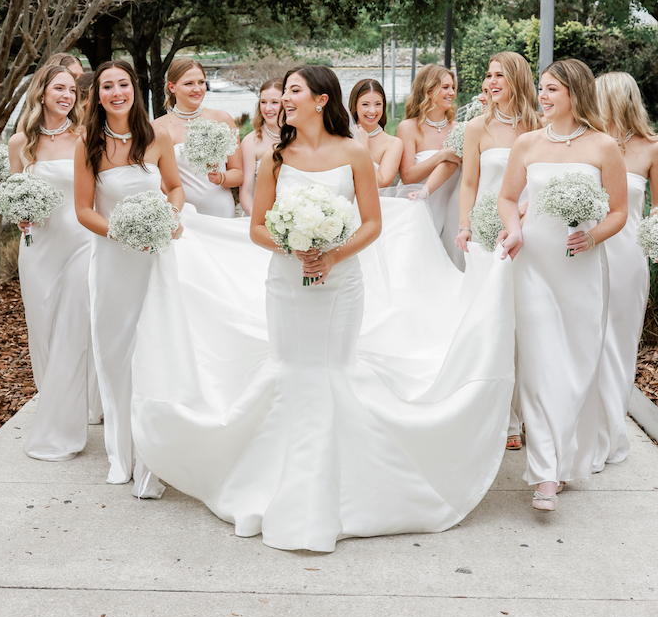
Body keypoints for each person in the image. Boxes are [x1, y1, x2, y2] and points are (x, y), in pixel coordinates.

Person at [132, 66, 516, 552]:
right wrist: (294, 249)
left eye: (293, 91)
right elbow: (256, 228)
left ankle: (354, 486)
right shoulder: (275, 156)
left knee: (334, 369)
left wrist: (332, 254)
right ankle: (272, 479)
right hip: (286, 281)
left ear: (320, 99)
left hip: (342, 283)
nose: (284, 99)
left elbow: (373, 223)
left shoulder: (353, 152)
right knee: (290, 368)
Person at [499, 59, 628, 512]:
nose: (543, 95)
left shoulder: (603, 146)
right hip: (532, 262)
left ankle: (564, 458)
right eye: (542, 88)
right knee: (538, 364)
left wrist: (592, 236)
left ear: (575, 92)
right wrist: (513, 229)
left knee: (575, 367)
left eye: (552, 89)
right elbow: (508, 197)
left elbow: (618, 213)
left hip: (581, 269)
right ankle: (545, 473)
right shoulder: (528, 143)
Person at [74, 60, 184, 497]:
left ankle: (155, 454)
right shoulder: (89, 143)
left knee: (154, 349)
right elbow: (84, 210)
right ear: (97, 96)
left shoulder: (157, 136)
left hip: (157, 259)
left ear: (134, 89)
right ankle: (122, 453)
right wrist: (123, 232)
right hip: (114, 261)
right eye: (107, 86)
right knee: (116, 354)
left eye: (123, 84)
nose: (116, 92)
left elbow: (174, 188)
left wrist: (168, 218)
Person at [453, 53, 542, 452]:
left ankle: (527, 413)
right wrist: (465, 225)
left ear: (517, 80)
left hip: (532, 235)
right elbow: (469, 183)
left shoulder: (540, 126)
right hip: (487, 237)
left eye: (498, 76)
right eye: (487, 75)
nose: (490, 82)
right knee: (493, 325)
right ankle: (502, 418)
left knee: (529, 325)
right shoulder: (477, 127)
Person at [7, 65, 91, 460]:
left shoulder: (84, 137)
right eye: (59, 88)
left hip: (80, 243)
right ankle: (55, 402)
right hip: (38, 247)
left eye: (72, 90)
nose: (67, 95)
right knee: (41, 332)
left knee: (72, 329)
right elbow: (15, 194)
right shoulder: (20, 143)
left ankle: (63, 428)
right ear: (42, 93)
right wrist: (19, 214)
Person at [594, 72, 658, 471]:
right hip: (588, 249)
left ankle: (611, 433)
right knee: (588, 338)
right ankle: (584, 432)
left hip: (629, 256)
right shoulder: (589, 144)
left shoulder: (654, 148)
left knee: (619, 344)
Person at [153, 57, 241, 217]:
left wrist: (221, 177)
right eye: (189, 83)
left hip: (221, 211)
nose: (197, 89)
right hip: (183, 214)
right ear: (172, 87)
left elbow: (238, 173)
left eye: (201, 82)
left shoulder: (222, 119)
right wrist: (178, 207)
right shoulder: (157, 128)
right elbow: (154, 179)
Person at [395, 65, 462, 234]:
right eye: (445, 87)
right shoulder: (408, 128)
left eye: (453, 87)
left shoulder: (459, 129)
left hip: (450, 212)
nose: (452, 93)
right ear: (429, 91)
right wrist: (441, 155)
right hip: (417, 210)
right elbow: (408, 176)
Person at [348, 79, 403, 193]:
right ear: (355, 106)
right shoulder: (341, 137)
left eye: (378, 104)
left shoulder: (393, 143)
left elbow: (381, 183)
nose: (372, 111)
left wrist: (364, 147)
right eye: (365, 104)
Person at [239, 79, 283, 215]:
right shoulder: (251, 141)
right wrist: (257, 219)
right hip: (260, 214)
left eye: (275, 102)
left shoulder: (301, 137)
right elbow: (246, 191)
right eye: (263, 102)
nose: (267, 108)